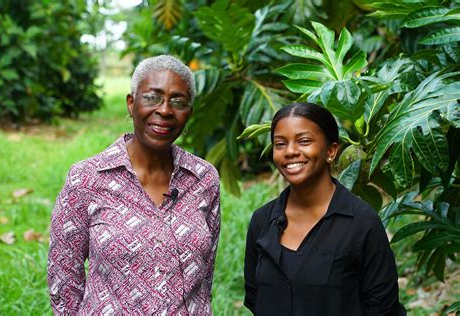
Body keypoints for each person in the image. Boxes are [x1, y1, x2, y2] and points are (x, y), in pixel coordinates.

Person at [47, 55, 220, 315]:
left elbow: (205, 279)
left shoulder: (203, 178)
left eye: (178, 102)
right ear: (131, 103)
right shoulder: (86, 178)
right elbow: (64, 280)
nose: (164, 110)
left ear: (189, 113)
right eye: (152, 97)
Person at [244, 102, 406, 315]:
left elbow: (383, 308)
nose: (290, 151)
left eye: (303, 141)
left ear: (331, 151)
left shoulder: (361, 222)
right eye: (280, 144)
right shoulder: (262, 220)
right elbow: (256, 297)